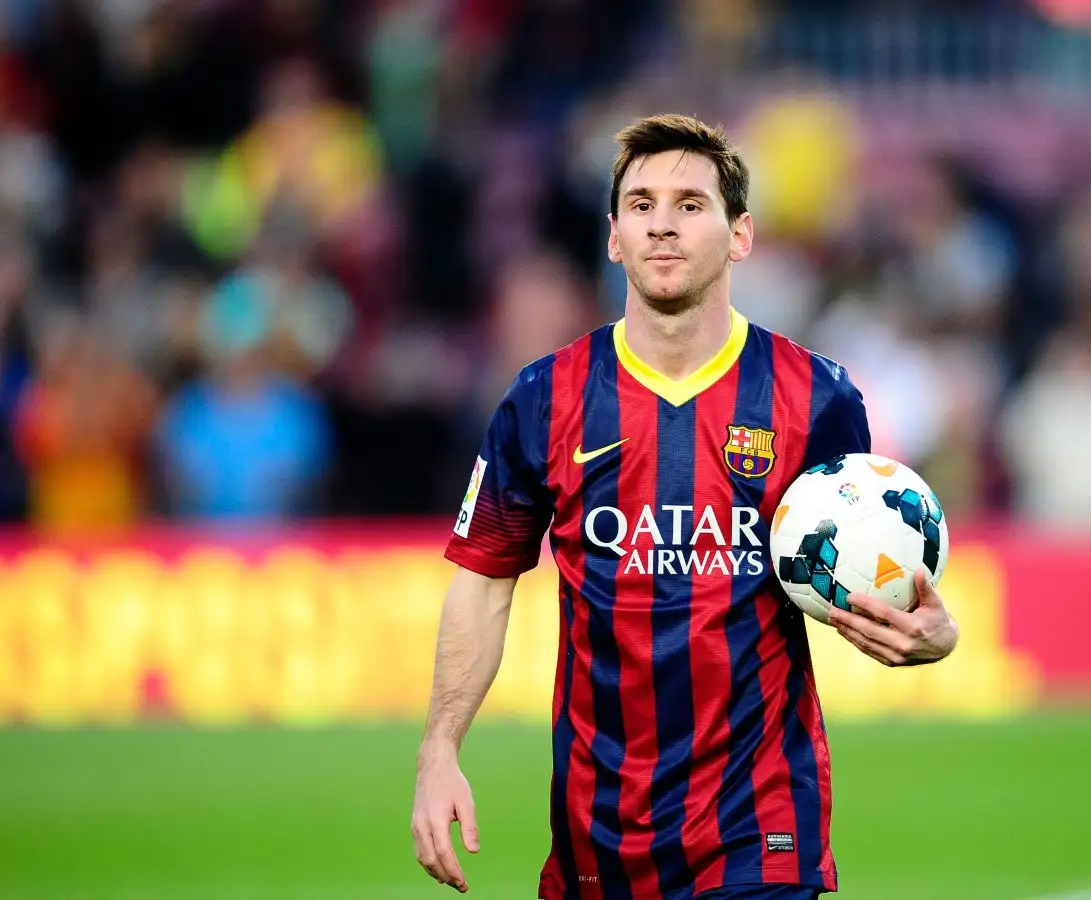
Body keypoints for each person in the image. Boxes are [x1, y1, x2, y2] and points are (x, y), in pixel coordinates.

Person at [410, 114, 960, 899]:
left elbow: (864, 570)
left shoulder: (819, 399)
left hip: (760, 832)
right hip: (597, 833)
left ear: (740, 236)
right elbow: (482, 581)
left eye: (690, 204)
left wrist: (928, 628)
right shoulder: (543, 399)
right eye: (640, 204)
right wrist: (440, 751)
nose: (662, 223)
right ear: (612, 237)